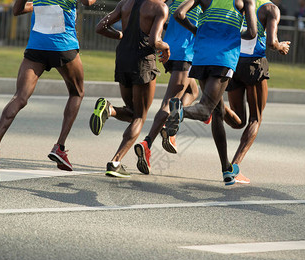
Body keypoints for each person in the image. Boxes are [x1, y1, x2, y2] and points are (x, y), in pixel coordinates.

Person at [0, 0, 96, 183]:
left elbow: (17, 10)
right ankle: (60, 147)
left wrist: (42, 5)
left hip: (37, 46)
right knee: (77, 93)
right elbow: (89, 2)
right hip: (63, 45)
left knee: (20, 97)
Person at [165, 0, 257, 185]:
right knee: (206, 109)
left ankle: (226, 169)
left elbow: (178, 14)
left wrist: (196, 30)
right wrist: (233, 34)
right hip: (223, 58)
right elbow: (252, 33)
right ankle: (180, 111)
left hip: (201, 55)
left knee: (217, 112)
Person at [93, 0, 170, 178]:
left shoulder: (125, 3)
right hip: (143, 61)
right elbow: (155, 40)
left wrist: (122, 36)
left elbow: (100, 27)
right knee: (139, 117)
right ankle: (115, 162)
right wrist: (166, 47)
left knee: (131, 111)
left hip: (122, 58)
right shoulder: (159, 7)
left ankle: (109, 110)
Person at [223, 0, 290, 184]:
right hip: (254, 65)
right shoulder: (270, 9)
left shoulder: (238, 2)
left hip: (233, 62)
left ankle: (216, 106)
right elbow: (271, 42)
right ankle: (233, 168)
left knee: (237, 120)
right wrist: (281, 46)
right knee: (255, 119)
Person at [133, 0, 202, 175]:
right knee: (169, 101)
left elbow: (166, 24)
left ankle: (172, 125)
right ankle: (147, 143)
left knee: (193, 91)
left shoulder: (175, 2)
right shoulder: (201, 3)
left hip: (170, 52)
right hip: (184, 54)